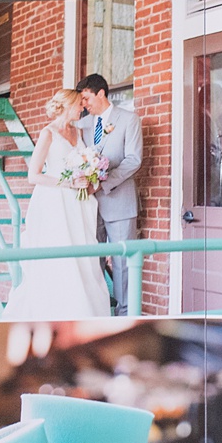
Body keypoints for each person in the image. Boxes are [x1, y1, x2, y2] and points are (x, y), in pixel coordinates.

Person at [3, 89, 113, 319]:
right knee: (62, 259)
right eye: (78, 105)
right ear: (65, 106)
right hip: (55, 202)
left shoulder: (79, 131)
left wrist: (90, 176)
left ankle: (86, 312)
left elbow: (86, 159)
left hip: (80, 203)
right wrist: (68, 182)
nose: (82, 108)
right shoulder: (48, 133)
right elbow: (33, 176)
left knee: (84, 258)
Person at [75, 74, 144, 316]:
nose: (84, 104)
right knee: (93, 262)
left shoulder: (129, 119)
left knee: (123, 264)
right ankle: (99, 311)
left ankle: (126, 314)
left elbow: (134, 159)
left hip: (119, 202)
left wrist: (103, 184)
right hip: (89, 206)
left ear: (100, 93)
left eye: (86, 98)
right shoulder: (81, 126)